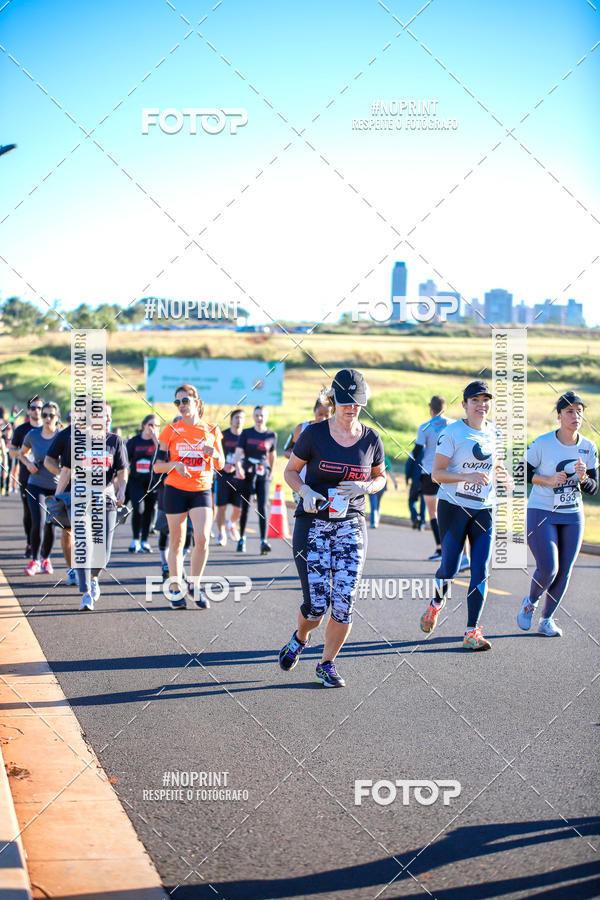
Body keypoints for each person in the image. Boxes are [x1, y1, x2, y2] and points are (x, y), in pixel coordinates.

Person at [279, 369, 385, 687]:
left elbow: (380, 476)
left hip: (351, 524)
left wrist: (366, 488)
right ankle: (300, 637)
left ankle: (327, 664)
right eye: (346, 401)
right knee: (315, 607)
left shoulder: (370, 439)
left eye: (358, 403)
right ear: (334, 400)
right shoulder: (313, 434)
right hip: (313, 524)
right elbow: (291, 471)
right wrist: (305, 491)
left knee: (344, 601)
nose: (352, 408)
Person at [419, 380, 507, 651]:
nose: (482, 405)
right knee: (450, 568)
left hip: (484, 508)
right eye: (476, 400)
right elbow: (437, 474)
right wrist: (466, 475)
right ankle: (436, 603)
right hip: (454, 507)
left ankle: (472, 631)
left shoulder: (496, 432)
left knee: (480, 570)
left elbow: (497, 466)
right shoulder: (452, 433)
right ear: (465, 404)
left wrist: (504, 478)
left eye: (486, 400)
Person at [517, 391, 598, 636]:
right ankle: (530, 602)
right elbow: (520, 473)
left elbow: (594, 488)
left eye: (579, 411)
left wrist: (584, 478)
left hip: (572, 515)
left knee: (565, 570)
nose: (576, 416)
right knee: (549, 567)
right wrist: (547, 479)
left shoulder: (588, 447)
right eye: (570, 411)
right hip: (542, 511)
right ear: (559, 415)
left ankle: (546, 620)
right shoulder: (542, 443)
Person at [153, 384, 224, 610]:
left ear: (196, 402)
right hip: (175, 489)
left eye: (185, 401)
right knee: (177, 541)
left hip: (201, 489)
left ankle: (194, 585)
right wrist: (175, 464)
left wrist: (214, 454)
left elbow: (221, 464)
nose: (181, 406)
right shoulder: (170, 430)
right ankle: (175, 589)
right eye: (177, 402)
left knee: (202, 539)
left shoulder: (212, 430)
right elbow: (157, 467)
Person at [55, 400, 128, 611]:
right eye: (102, 415)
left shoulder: (115, 441)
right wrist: (58, 496)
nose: (107, 419)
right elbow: (66, 470)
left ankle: (94, 578)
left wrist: (121, 489)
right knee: (84, 544)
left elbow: (122, 471)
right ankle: (86, 593)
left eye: (109, 416)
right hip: (80, 497)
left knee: (103, 551)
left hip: (106, 498)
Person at [20, 401, 61, 575]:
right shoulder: (33, 434)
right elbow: (21, 453)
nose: (47, 418)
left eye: (51, 415)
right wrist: (29, 464)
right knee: (38, 521)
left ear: (57, 418)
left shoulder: (62, 436)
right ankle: (35, 560)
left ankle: (46, 559)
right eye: (44, 415)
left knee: (50, 524)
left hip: (56, 486)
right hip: (35, 484)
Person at [234, 406, 277, 555]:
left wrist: (270, 471)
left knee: (263, 507)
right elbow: (238, 453)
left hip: (263, 474)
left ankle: (263, 541)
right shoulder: (246, 433)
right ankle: (242, 538)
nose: (259, 418)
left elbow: (272, 456)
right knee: (245, 506)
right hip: (248, 473)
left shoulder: (271, 435)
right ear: (253, 417)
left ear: (266, 417)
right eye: (257, 415)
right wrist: (238, 466)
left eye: (262, 415)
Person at [44, 414, 77, 586]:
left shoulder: (100, 435)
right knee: (68, 531)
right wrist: (61, 474)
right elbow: (48, 460)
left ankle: (89, 574)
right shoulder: (65, 435)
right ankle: (72, 569)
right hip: (69, 491)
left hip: (95, 490)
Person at [8, 397, 43, 558]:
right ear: (28, 411)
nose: (37, 411)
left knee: (46, 516)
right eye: (34, 408)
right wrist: (25, 456)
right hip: (27, 477)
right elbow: (12, 450)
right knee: (30, 512)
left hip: (49, 478)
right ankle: (30, 542)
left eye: (40, 408)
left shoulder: (50, 429)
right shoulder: (22, 430)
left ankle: (42, 548)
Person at [284, 395, 334, 503]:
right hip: (301, 483)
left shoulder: (334, 432)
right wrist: (301, 455)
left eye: (327, 415)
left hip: (324, 484)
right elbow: (286, 451)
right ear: (314, 410)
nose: (323, 418)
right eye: (320, 414)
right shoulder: (301, 428)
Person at [126, 415, 160, 552]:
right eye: (151, 425)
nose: (153, 428)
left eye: (157, 426)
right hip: (136, 481)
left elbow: (163, 455)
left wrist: (155, 439)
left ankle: (144, 540)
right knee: (138, 509)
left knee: (149, 511)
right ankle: (135, 539)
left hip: (151, 482)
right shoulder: (135, 441)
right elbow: (125, 460)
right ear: (144, 425)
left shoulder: (158, 442)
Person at [214, 409, 245, 546]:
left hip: (239, 477)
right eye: (236, 417)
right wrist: (223, 465)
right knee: (221, 507)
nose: (239, 420)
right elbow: (215, 453)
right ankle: (221, 533)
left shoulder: (245, 436)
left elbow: (249, 455)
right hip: (223, 476)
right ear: (231, 420)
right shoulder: (223, 435)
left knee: (239, 508)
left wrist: (239, 466)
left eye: (241, 418)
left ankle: (231, 523)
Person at [369, 454, 398, 528]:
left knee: (373, 503)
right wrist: (395, 483)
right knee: (377, 503)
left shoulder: (370, 456)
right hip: (382, 484)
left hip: (373, 483)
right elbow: (390, 472)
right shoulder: (385, 459)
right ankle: (376, 520)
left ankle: (374, 522)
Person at [406, 443, 426, 529]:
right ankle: (422, 522)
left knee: (412, 499)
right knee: (424, 501)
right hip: (426, 480)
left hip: (416, 480)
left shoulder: (414, 452)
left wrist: (407, 478)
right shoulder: (431, 453)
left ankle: (415, 517)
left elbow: (408, 466)